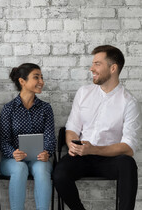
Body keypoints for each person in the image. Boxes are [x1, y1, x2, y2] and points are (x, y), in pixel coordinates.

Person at [53, 45, 141, 210]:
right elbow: (72, 127)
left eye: (97, 64)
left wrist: (93, 149)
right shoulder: (84, 92)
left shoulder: (129, 102)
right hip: (82, 156)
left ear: (113, 68)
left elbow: (129, 147)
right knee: (60, 173)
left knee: (128, 165)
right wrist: (73, 144)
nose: (91, 68)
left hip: (111, 159)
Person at [0, 63, 56, 210]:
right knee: (19, 168)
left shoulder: (45, 108)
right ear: (22, 81)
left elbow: (50, 138)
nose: (41, 82)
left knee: (42, 168)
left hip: (39, 159)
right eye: (36, 77)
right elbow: (3, 141)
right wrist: (13, 153)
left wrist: (47, 152)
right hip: (12, 160)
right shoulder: (8, 109)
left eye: (41, 77)